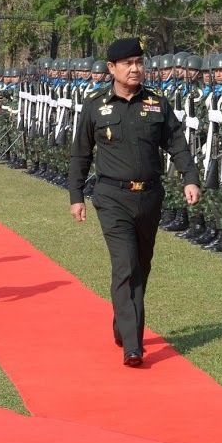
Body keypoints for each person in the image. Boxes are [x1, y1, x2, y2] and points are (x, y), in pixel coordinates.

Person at [68, 38, 201, 367]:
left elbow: (177, 142)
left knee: (141, 266)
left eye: (139, 62)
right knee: (125, 266)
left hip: (150, 197)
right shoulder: (95, 106)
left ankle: (121, 322)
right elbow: (80, 154)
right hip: (112, 197)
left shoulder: (157, 103)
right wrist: (76, 196)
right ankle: (133, 344)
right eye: (127, 63)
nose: (135, 68)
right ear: (112, 68)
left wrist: (190, 177)